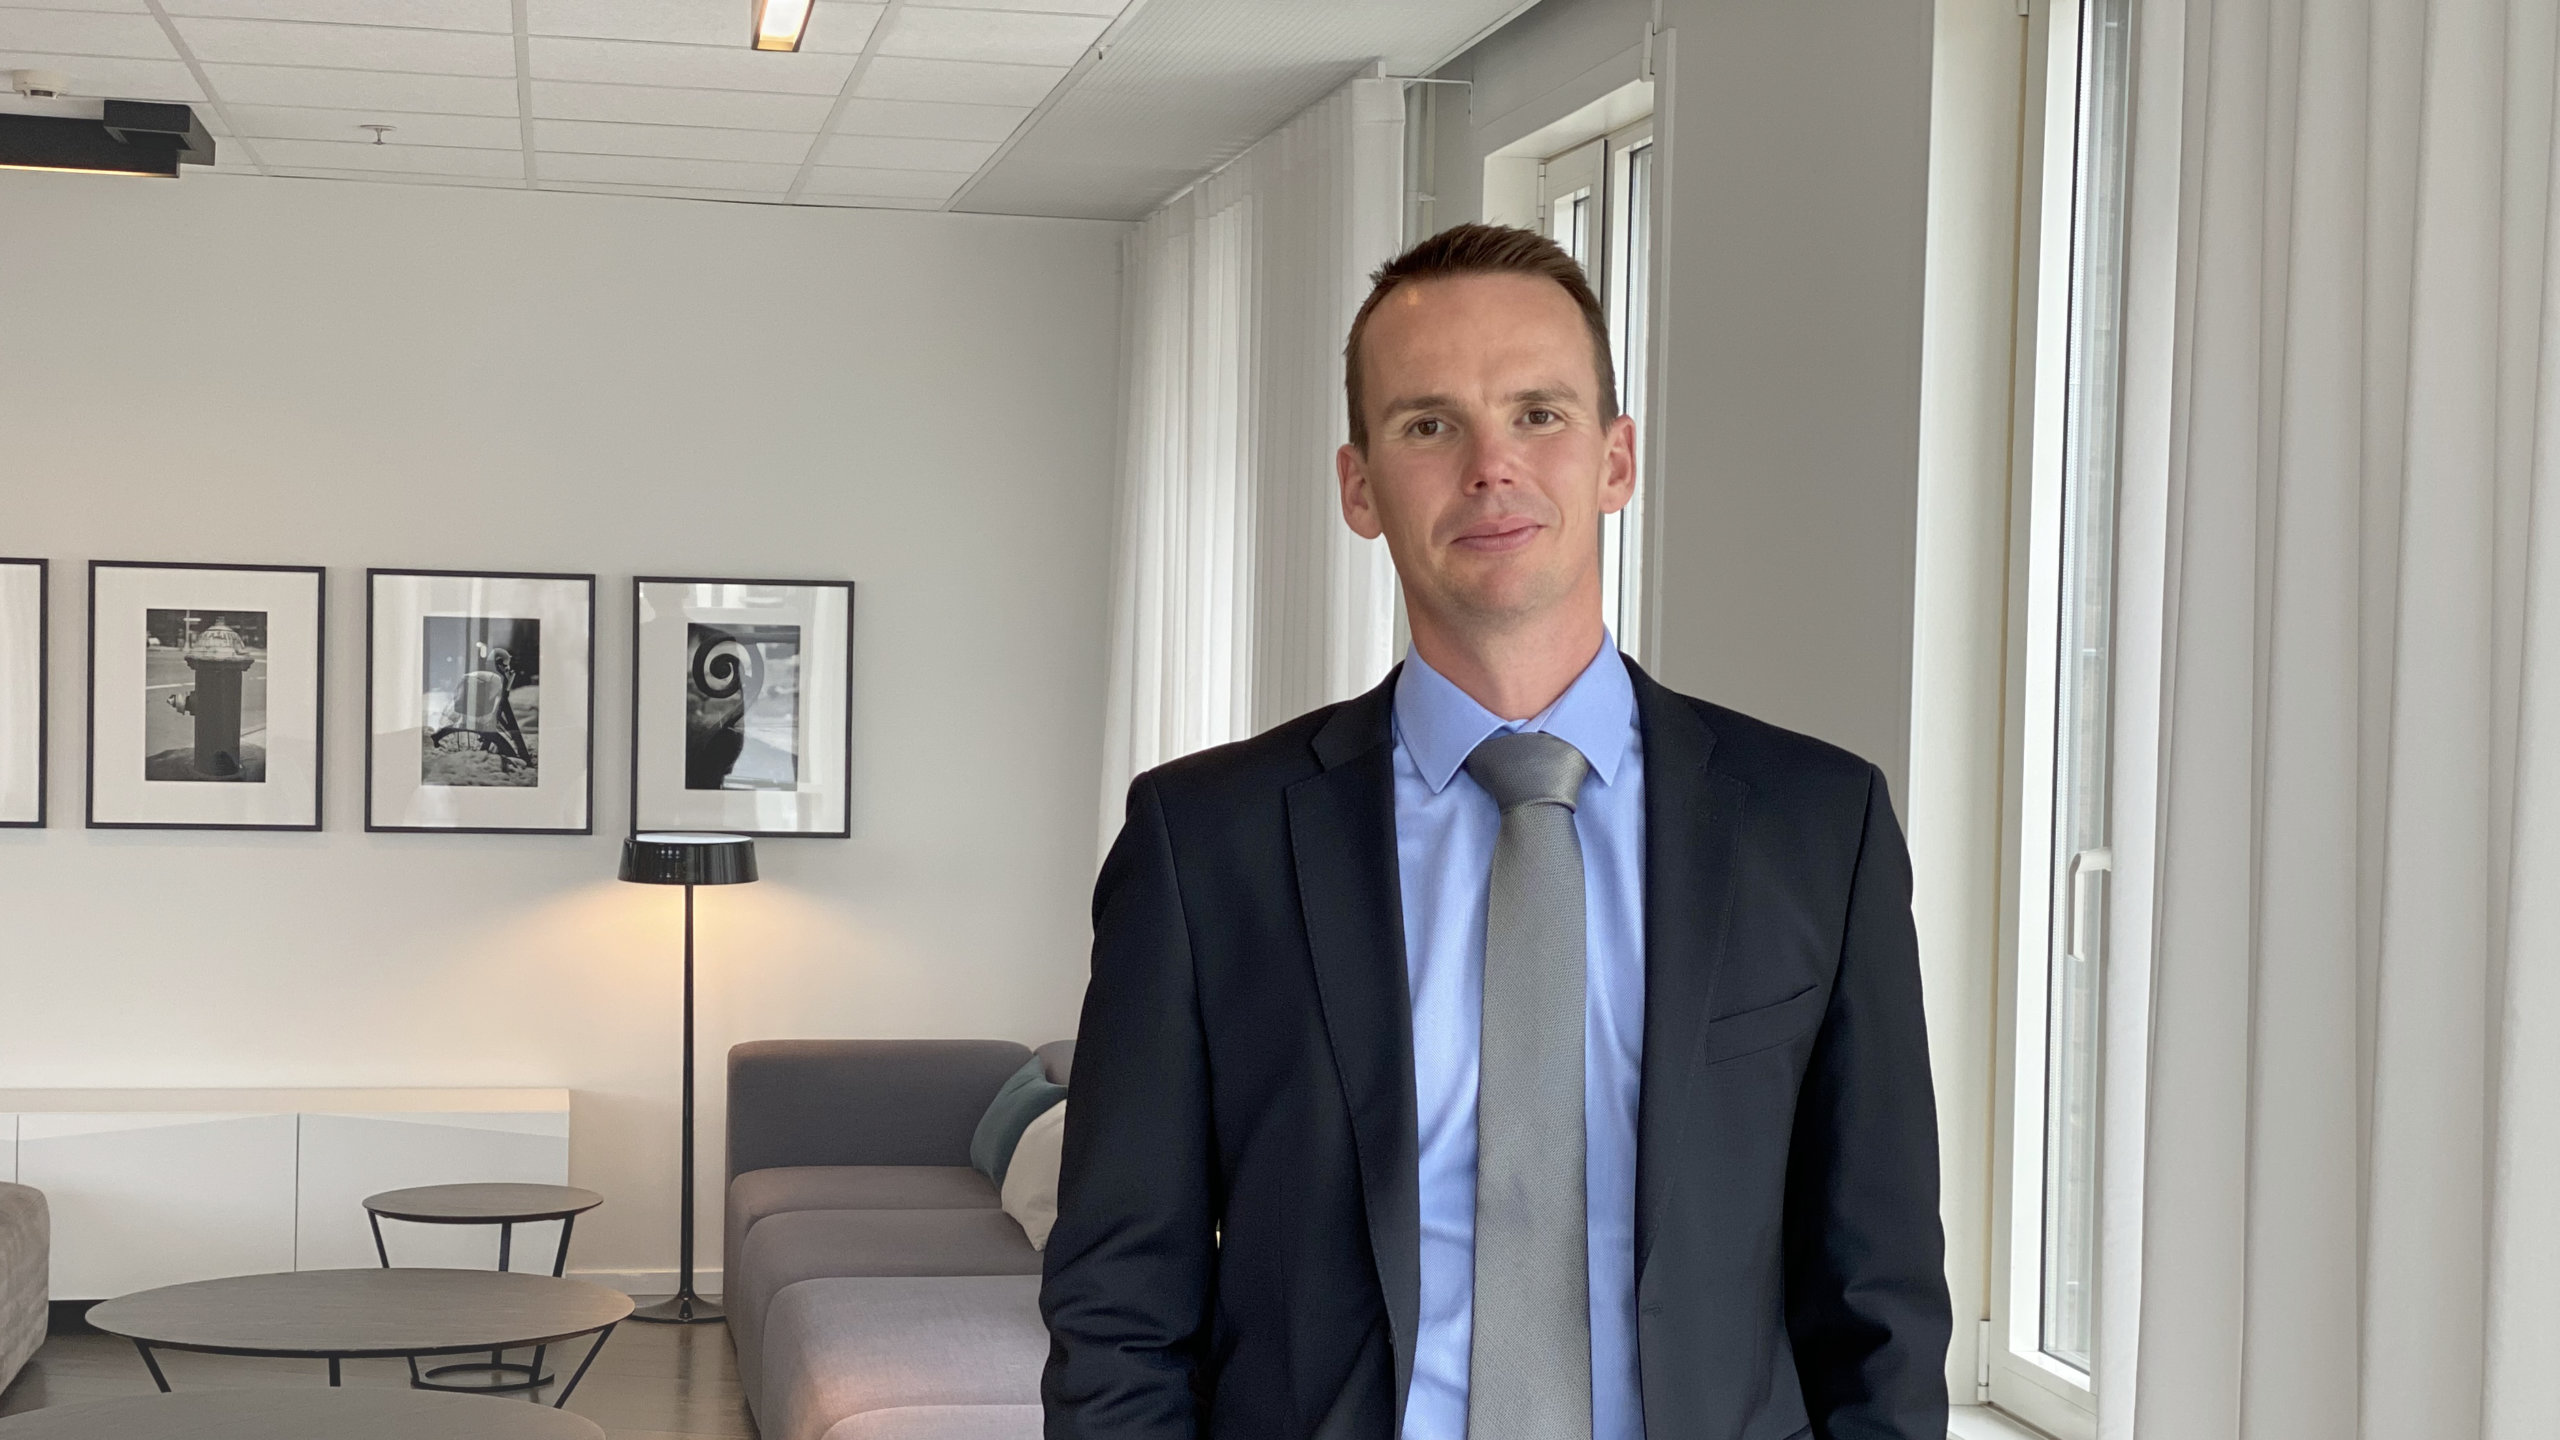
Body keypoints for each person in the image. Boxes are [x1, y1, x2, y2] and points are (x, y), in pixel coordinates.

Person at [1041, 223, 1950, 1440]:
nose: (1490, 467)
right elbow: (1118, 1306)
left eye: (1538, 414)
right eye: (1429, 424)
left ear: (1615, 460)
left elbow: (1879, 1300)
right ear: (1359, 488)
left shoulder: (1816, 827)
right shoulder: (1202, 846)